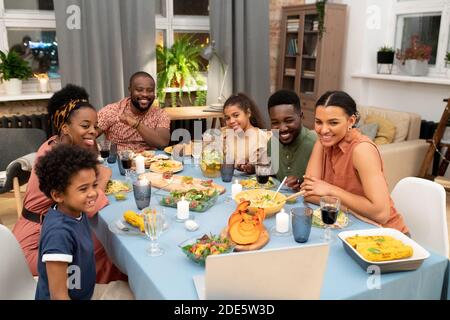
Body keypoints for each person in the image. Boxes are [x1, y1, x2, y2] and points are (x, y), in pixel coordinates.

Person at [13, 84, 125, 283]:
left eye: (94, 126)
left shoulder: (59, 143)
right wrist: (103, 179)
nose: (93, 131)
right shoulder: (58, 159)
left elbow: (91, 171)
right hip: (36, 243)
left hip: (48, 228)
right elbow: (90, 204)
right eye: (85, 126)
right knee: (107, 248)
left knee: (106, 240)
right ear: (65, 126)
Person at [300, 91, 409, 233]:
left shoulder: (362, 150)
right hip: (352, 226)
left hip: (386, 234)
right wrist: (349, 209)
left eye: (333, 122)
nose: (323, 130)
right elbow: (308, 193)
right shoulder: (322, 142)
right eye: (318, 122)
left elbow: (381, 214)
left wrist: (330, 190)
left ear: (351, 121)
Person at [35, 144, 98, 300]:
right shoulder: (59, 234)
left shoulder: (75, 211)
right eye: (83, 189)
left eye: (94, 185)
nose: (93, 193)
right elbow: (58, 296)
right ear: (58, 195)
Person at [97, 71, 171, 152]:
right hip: (119, 161)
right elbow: (88, 134)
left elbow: (162, 143)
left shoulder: (160, 114)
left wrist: (136, 124)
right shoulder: (112, 111)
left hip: (149, 161)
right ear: (130, 90)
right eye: (139, 90)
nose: (145, 94)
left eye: (150, 90)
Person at [267, 89, 317, 191]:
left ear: (301, 116)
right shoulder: (272, 143)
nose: (282, 128)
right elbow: (271, 180)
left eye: (289, 121)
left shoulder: (315, 145)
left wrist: (300, 184)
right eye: (275, 122)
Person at [222, 93, 270, 174]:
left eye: (236, 115)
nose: (231, 121)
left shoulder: (262, 137)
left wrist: (252, 168)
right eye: (228, 118)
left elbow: (268, 169)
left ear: (248, 113)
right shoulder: (226, 135)